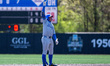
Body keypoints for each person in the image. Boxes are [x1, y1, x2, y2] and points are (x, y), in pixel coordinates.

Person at [41, 0, 59, 66]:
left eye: (51, 17)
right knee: (45, 51)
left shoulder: (52, 25)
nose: (51, 18)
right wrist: (44, 6)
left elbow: (54, 33)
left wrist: (56, 39)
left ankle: (50, 63)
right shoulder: (45, 21)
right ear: (48, 17)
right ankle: (44, 64)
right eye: (50, 17)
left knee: (51, 51)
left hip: (51, 39)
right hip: (45, 38)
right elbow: (42, 14)